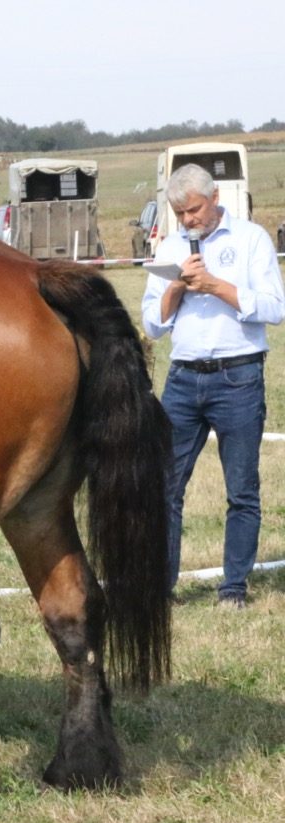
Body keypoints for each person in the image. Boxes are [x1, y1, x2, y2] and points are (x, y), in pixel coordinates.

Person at [141, 163, 285, 610]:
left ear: (215, 197)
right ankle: (161, 588)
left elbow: (274, 307)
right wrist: (176, 289)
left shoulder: (251, 239)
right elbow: (152, 324)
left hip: (238, 378)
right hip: (182, 380)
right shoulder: (169, 247)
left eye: (194, 210)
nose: (188, 220)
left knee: (241, 490)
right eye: (179, 213)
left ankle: (233, 587)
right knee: (165, 487)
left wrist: (216, 286)